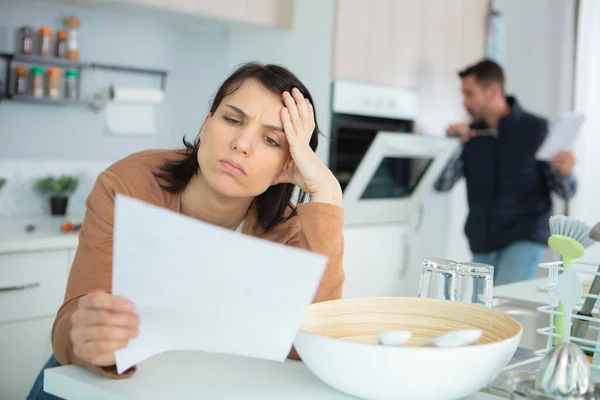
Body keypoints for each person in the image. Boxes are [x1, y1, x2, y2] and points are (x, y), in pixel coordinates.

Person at [29, 62, 344, 397]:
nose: (242, 143)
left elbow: (312, 350)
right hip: (103, 382)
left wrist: (327, 193)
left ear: (289, 163)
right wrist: (89, 339)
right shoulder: (128, 184)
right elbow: (71, 319)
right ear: (206, 126)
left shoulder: (290, 229)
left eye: (270, 139)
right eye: (233, 120)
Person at [435, 59, 577, 286]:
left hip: (524, 238)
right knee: (480, 316)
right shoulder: (471, 136)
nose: (464, 102)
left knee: (502, 313)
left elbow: (567, 191)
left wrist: (564, 171)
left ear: (492, 90)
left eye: (469, 94)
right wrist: (454, 146)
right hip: (481, 243)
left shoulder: (536, 129)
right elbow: (442, 184)